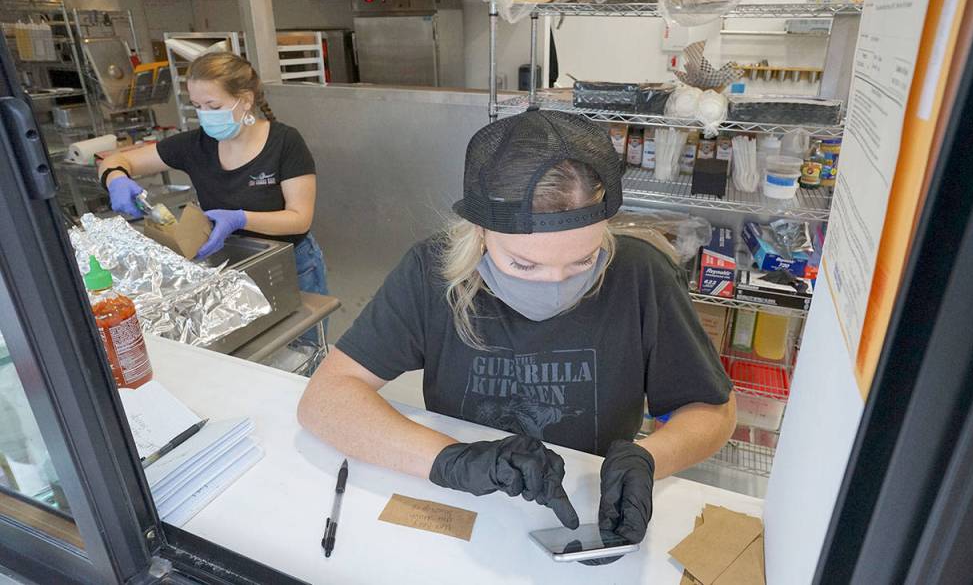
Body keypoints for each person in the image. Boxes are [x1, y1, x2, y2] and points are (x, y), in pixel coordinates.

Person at [297, 110, 735, 559]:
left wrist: (651, 457)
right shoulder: (431, 273)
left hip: (587, 513)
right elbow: (328, 398)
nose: (556, 283)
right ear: (481, 231)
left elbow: (712, 411)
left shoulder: (642, 276)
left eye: (584, 260)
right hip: (468, 514)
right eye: (524, 265)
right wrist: (450, 460)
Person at [97, 52, 328, 304]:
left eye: (213, 106)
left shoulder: (284, 142)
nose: (204, 114)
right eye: (197, 106)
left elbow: (299, 220)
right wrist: (116, 178)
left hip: (291, 265)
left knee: (301, 342)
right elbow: (115, 160)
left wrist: (240, 219)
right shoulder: (196, 145)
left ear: (246, 100)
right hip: (227, 263)